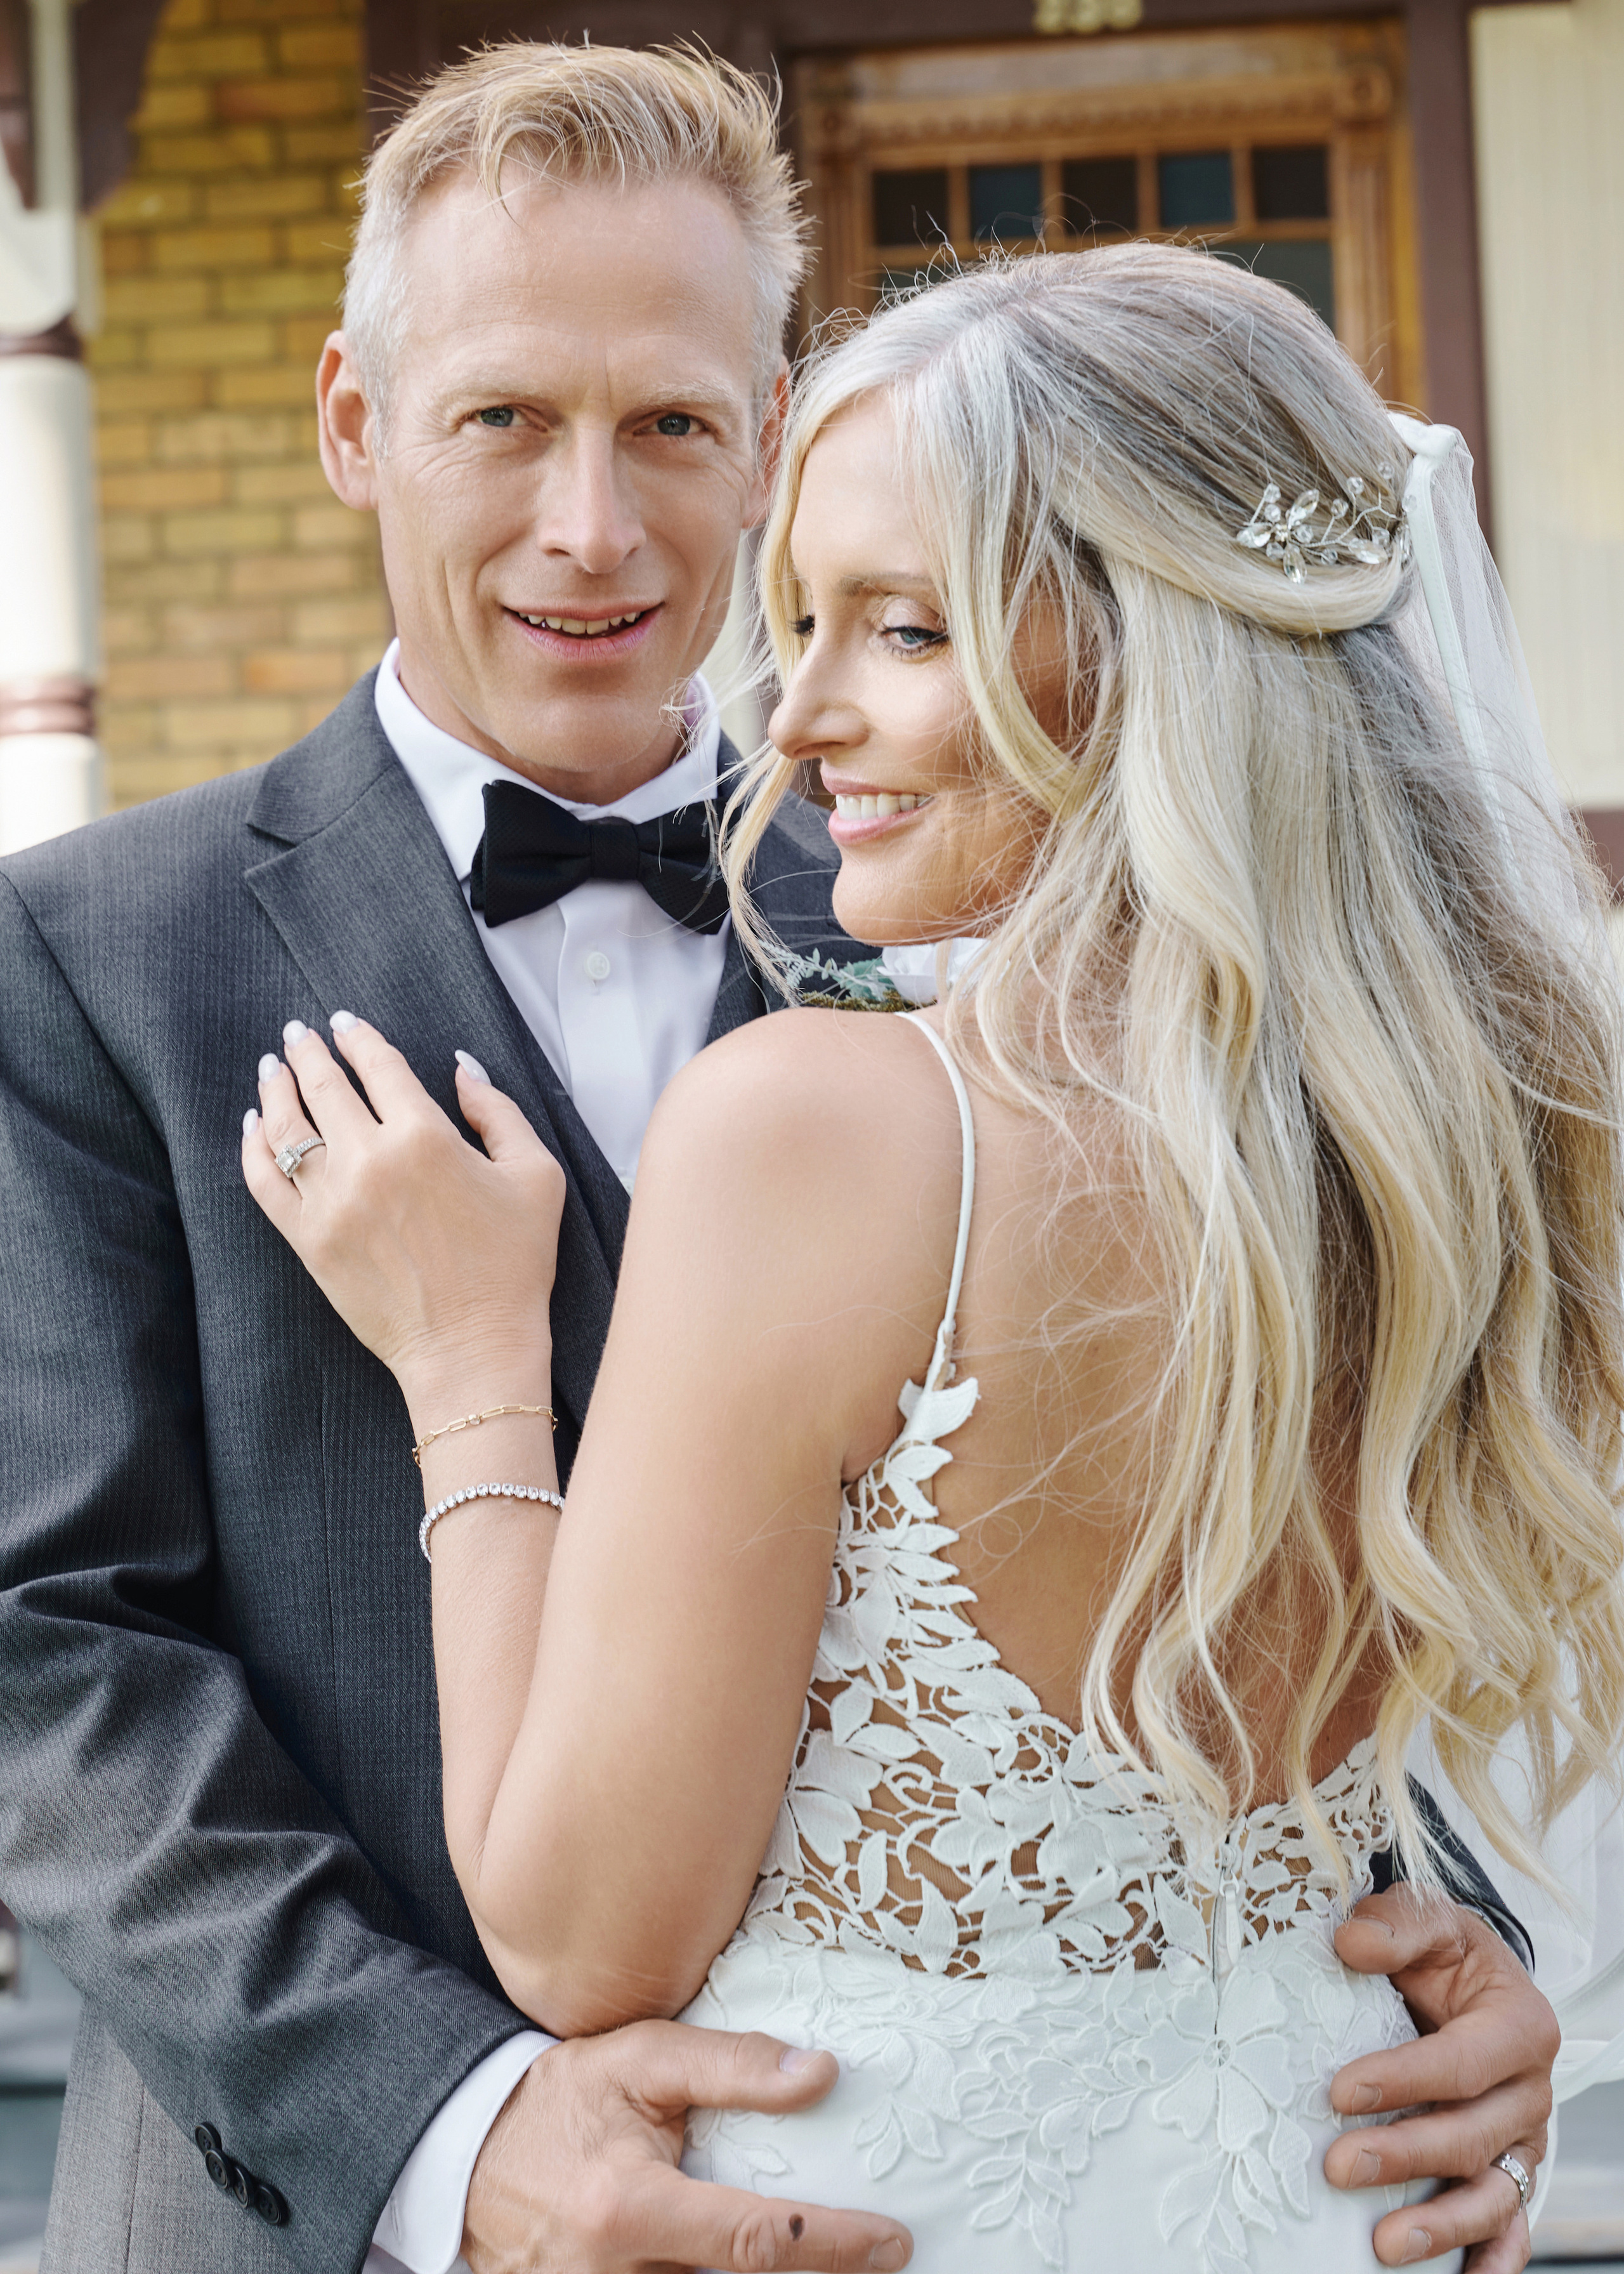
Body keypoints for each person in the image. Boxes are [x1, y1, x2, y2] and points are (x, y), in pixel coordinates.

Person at [0, 39, 1560, 2274]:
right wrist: (442, 2126)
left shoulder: (989, 877)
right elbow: (48, 1652)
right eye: (501, 419)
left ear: (769, 431)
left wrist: (1431, 1930)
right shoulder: (83, 956)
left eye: (669, 425)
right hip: (305, 2218)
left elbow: (1296, 1494)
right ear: (355, 421)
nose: (592, 527)